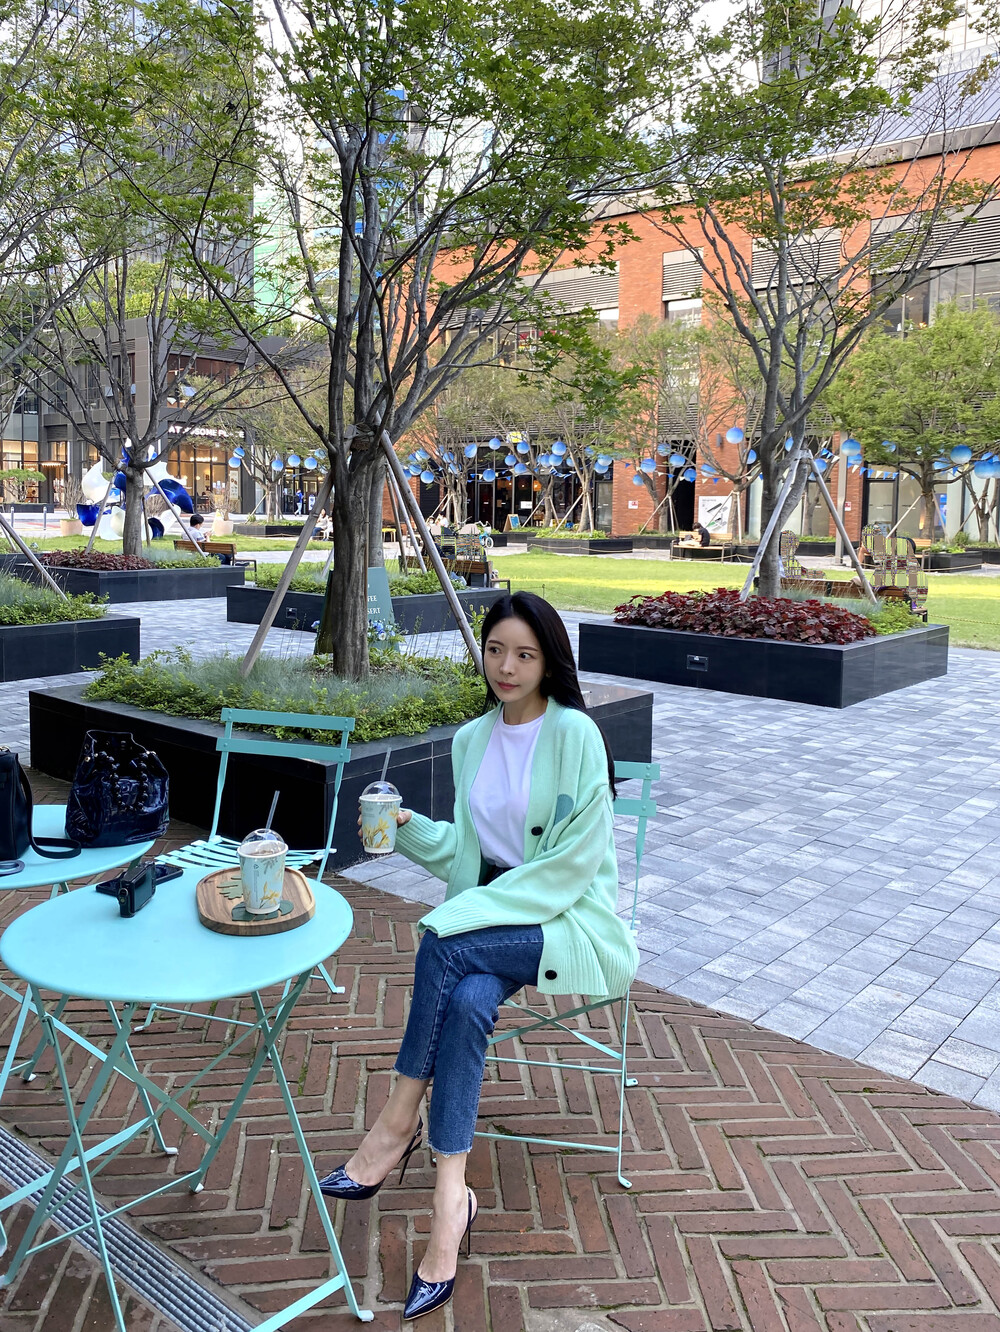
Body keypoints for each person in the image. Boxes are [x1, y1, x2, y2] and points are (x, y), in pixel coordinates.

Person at [317, 592, 638, 1320]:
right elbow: (468, 853)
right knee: (463, 1002)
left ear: (548, 661)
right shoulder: (472, 739)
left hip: (563, 920)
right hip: (492, 923)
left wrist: (474, 912)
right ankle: (449, 1201)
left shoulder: (576, 735)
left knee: (442, 940)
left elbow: (570, 866)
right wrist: (405, 827)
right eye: (496, 650)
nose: (506, 667)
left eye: (525, 654)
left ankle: (395, 1126)